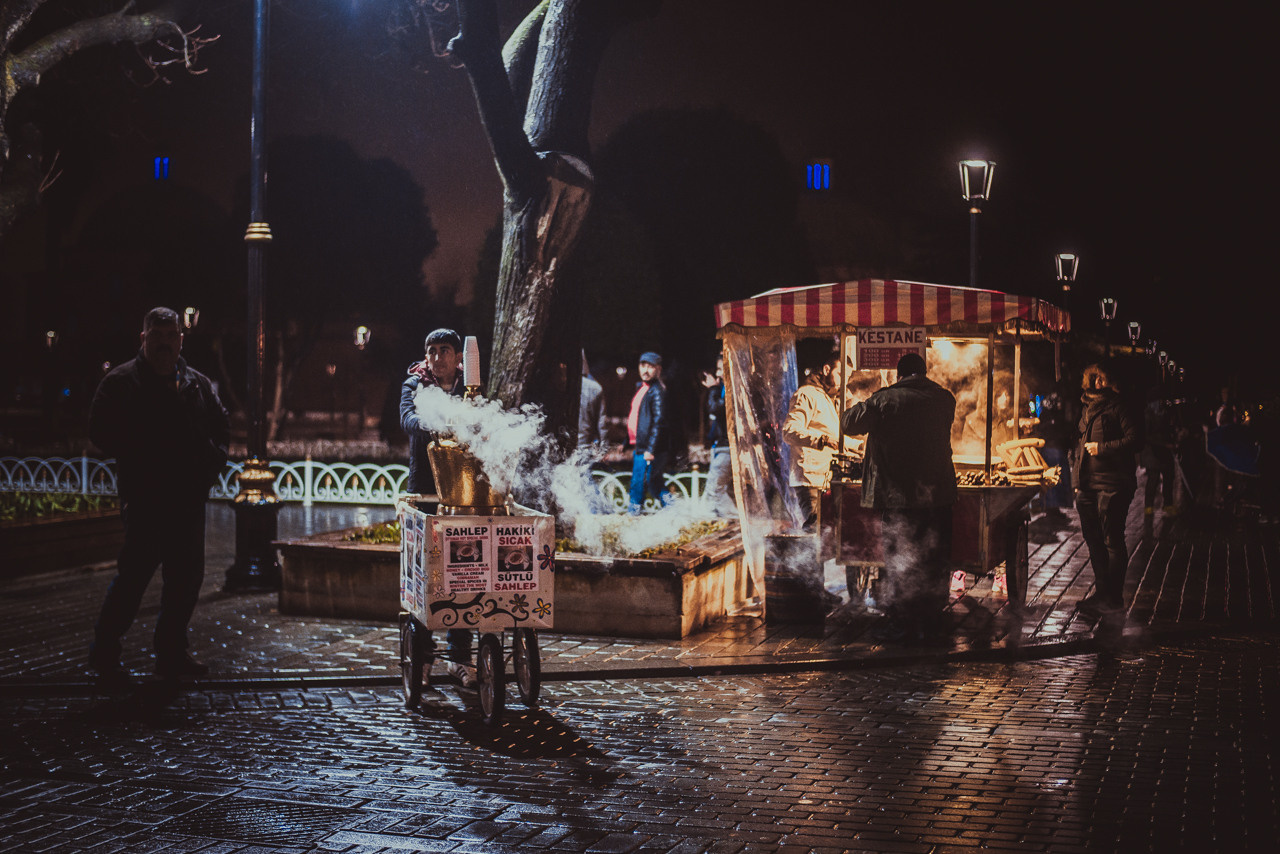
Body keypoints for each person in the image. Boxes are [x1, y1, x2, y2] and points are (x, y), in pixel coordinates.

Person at [87, 307, 230, 680]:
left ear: (181, 340)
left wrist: (209, 465)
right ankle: (104, 650)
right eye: (157, 336)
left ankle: (171, 653)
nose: (165, 343)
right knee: (134, 577)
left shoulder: (197, 383)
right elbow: (99, 430)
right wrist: (143, 449)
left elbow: (221, 427)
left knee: (185, 581)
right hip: (145, 498)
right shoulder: (120, 382)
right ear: (144, 338)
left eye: (171, 336)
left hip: (188, 499)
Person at [841, 352, 957, 642]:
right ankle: (932, 619)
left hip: (899, 498)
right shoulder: (945, 399)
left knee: (902, 561)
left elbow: (848, 424)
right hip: (938, 497)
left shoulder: (885, 400)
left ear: (899, 375)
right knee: (932, 559)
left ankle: (905, 624)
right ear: (924, 373)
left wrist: (867, 398)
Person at [399, 327, 473, 685]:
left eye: (445, 350)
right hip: (425, 490)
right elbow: (408, 419)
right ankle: (423, 658)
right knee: (425, 573)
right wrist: (436, 423)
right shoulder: (415, 384)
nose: (437, 357)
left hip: (462, 490)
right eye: (432, 351)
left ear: (458, 357)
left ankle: (459, 657)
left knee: (465, 571)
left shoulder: (470, 387)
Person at [1071, 363, 1140, 619]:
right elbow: (1079, 445)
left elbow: (1135, 439)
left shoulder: (1120, 406)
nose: (1097, 383)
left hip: (1113, 484)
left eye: (1102, 378)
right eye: (1094, 378)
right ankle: (1102, 595)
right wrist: (1077, 480)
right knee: (1094, 542)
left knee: (1112, 541)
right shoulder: (1087, 407)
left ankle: (1114, 599)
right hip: (1088, 485)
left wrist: (1103, 448)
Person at [781, 346, 840, 531]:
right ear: (826, 370)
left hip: (824, 477)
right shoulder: (807, 394)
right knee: (815, 530)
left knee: (825, 532)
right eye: (840, 374)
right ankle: (804, 552)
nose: (843, 380)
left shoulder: (828, 399)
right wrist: (822, 440)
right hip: (809, 478)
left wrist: (861, 446)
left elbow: (835, 438)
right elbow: (789, 431)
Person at [627, 351, 671, 512]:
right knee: (654, 483)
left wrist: (650, 449)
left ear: (658, 369)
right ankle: (674, 509)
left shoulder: (656, 391)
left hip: (649, 449)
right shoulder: (643, 388)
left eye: (650, 367)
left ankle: (634, 514)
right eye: (643, 365)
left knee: (638, 483)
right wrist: (626, 442)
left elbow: (659, 422)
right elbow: (637, 417)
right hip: (643, 446)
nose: (645, 370)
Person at [701, 353, 735, 517]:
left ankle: (731, 518)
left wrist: (713, 389)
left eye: (721, 369)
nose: (718, 374)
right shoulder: (723, 388)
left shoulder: (732, 389)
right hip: (721, 444)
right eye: (717, 369)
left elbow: (716, 409)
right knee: (719, 489)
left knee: (714, 488)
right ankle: (729, 518)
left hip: (727, 446)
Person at [1142, 389, 1179, 516]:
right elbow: (1147, 436)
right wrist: (1164, 444)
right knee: (1153, 479)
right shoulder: (1148, 415)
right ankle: (1148, 506)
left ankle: (1168, 504)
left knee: (1168, 478)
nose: (1161, 403)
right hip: (1153, 454)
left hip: (1165, 453)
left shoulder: (1165, 413)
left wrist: (1173, 439)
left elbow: (1168, 431)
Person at [578, 351, 606, 449]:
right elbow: (602, 424)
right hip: (584, 447)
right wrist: (604, 449)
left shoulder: (559, 384)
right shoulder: (596, 388)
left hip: (559, 448)